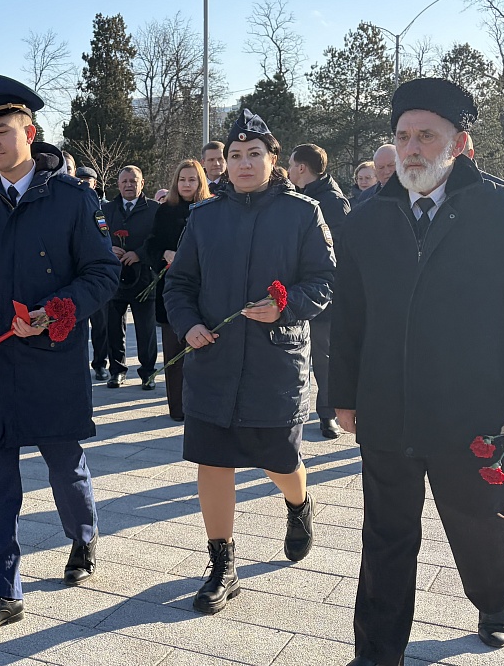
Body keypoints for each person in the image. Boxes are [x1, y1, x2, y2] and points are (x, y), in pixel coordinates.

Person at [329, 78, 504, 665]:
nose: (412, 148)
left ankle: (493, 600)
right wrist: (341, 395)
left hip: (472, 408)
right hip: (388, 410)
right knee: (385, 538)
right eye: (403, 136)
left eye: (426, 136)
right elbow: (349, 318)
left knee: (480, 525)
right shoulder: (366, 220)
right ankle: (376, 650)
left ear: (459, 142)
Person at [0, 74, 120, 641]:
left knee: (65, 467)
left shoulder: (72, 199)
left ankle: (83, 536)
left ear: (29, 131)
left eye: (1, 130)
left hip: (53, 357)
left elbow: (103, 272)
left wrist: (58, 308)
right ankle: (3, 590)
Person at [164, 108, 335, 615]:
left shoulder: (302, 213)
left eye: (253, 154)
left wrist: (287, 306)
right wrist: (189, 324)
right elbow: (180, 284)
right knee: (213, 461)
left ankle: (299, 504)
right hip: (212, 361)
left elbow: (325, 282)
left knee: (278, 459)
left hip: (273, 363)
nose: (242, 163)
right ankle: (222, 562)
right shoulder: (204, 216)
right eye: (234, 155)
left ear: (272, 159)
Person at [288, 144, 350, 439]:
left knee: (323, 357)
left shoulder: (332, 202)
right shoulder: (296, 197)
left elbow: (337, 253)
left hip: (323, 293)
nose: (288, 171)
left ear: (302, 168)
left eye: (291, 165)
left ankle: (328, 414)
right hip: (295, 291)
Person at [143, 160, 211, 421]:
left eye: (192, 179)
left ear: (200, 182)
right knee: (174, 352)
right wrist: (164, 253)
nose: (186, 184)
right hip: (171, 290)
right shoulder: (165, 211)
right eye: (182, 179)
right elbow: (151, 245)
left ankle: (201, 406)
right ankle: (178, 408)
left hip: (204, 291)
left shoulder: (210, 209)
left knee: (202, 353)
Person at [101, 165, 158, 389]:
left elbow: (157, 239)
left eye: (133, 181)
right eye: (124, 181)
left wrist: (139, 254)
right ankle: (117, 371)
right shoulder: (107, 210)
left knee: (146, 329)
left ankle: (148, 373)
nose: (129, 185)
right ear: (118, 184)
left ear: (142, 183)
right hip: (115, 280)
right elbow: (98, 236)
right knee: (114, 327)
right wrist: (110, 249)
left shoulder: (153, 209)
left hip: (143, 278)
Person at [76, 165, 109, 380]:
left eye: (88, 182)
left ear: (95, 184)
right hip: (74, 273)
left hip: (95, 273)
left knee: (101, 324)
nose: (84, 185)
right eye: (80, 181)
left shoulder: (104, 207)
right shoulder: (69, 202)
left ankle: (100, 363)